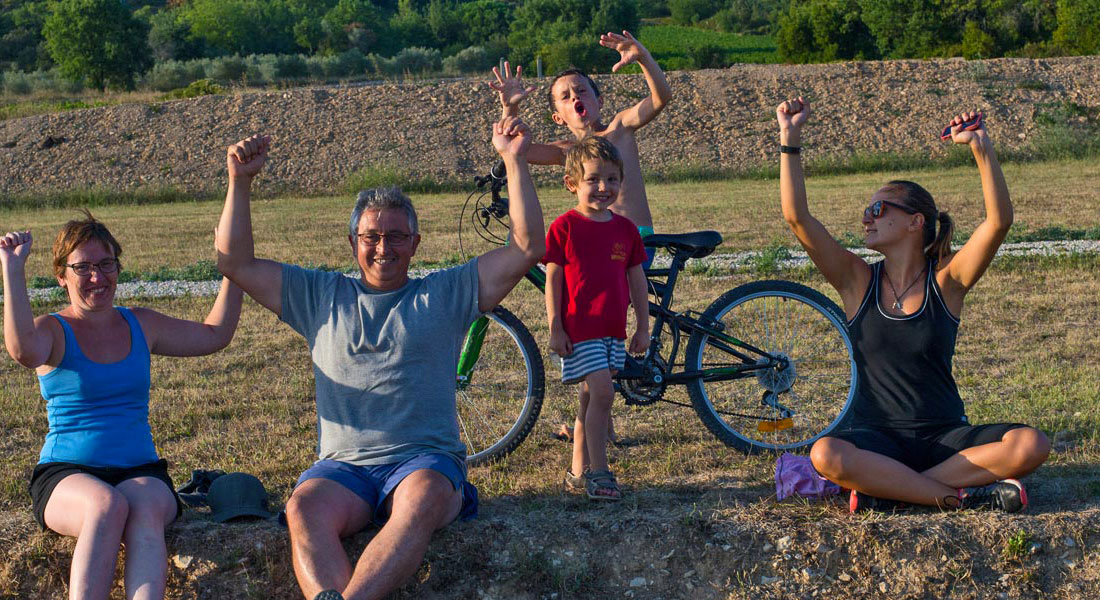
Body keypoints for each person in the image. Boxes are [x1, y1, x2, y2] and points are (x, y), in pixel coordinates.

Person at [214, 116, 544, 600]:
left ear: (415, 243)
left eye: (395, 236)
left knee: (425, 497)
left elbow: (528, 246)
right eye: (371, 236)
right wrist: (238, 183)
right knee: (302, 508)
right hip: (343, 470)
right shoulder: (319, 295)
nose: (383, 247)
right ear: (353, 243)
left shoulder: (446, 293)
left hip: (422, 462)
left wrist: (514, 161)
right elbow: (234, 262)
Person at [774, 98, 1050, 513]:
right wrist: (789, 139)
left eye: (877, 209)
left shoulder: (948, 283)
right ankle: (959, 499)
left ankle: (890, 491)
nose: (866, 218)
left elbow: (999, 221)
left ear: (915, 222)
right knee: (826, 455)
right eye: (867, 211)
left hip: (945, 439)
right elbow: (798, 218)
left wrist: (980, 146)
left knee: (1031, 444)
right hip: (875, 439)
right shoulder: (857, 281)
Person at [1, 214, 242, 600]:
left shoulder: (141, 324)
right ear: (61, 276)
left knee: (144, 513)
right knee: (106, 505)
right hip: (67, 474)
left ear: (118, 267)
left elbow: (215, 334)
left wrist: (234, 268)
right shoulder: (50, 330)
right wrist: (12, 269)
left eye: (106, 264)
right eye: (83, 267)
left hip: (141, 470)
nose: (97, 277)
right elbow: (21, 350)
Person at [489, 30, 671, 445]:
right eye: (565, 96)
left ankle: (591, 423)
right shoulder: (565, 152)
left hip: (631, 241)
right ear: (558, 116)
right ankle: (596, 425)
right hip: (593, 249)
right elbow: (513, 147)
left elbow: (661, 98)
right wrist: (509, 106)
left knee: (587, 313)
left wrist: (642, 57)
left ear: (599, 100)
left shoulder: (619, 130)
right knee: (582, 313)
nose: (576, 99)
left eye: (582, 91)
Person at [545, 136, 649, 502]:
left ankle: (576, 471)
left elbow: (637, 279)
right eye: (593, 180)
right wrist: (555, 326)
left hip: (611, 331)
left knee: (590, 397)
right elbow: (553, 278)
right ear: (572, 183)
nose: (604, 187)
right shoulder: (564, 227)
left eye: (612, 179)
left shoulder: (625, 230)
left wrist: (643, 326)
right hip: (580, 328)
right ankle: (600, 474)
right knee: (604, 393)